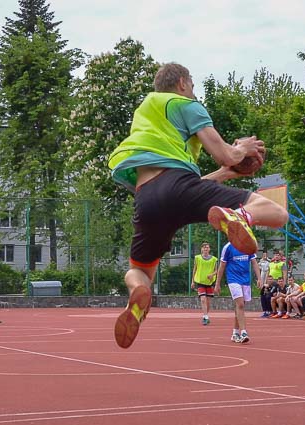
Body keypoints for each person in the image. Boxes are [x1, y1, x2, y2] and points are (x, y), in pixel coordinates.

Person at [107, 63, 288, 348]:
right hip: (180, 186)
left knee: (140, 269)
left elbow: (190, 183)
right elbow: (223, 154)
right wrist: (243, 149)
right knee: (277, 213)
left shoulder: (145, 115)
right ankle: (239, 215)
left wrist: (226, 175)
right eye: (192, 85)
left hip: (147, 196)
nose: (193, 90)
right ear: (182, 83)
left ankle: (138, 293)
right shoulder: (187, 105)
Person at [214, 241, 261, 343]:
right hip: (233, 279)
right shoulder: (228, 247)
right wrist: (217, 284)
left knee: (240, 306)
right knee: (240, 304)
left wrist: (259, 278)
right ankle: (244, 332)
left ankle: (235, 333)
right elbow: (222, 266)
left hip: (245, 280)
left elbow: (254, 262)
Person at [191, 242, 218, 326]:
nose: (206, 249)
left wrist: (212, 275)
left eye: (207, 247)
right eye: (204, 247)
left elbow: (217, 270)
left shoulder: (214, 259)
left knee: (208, 302)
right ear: (201, 249)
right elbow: (194, 270)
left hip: (209, 282)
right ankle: (206, 317)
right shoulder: (197, 258)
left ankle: (205, 315)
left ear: (209, 249)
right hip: (200, 282)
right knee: (203, 299)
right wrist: (192, 281)